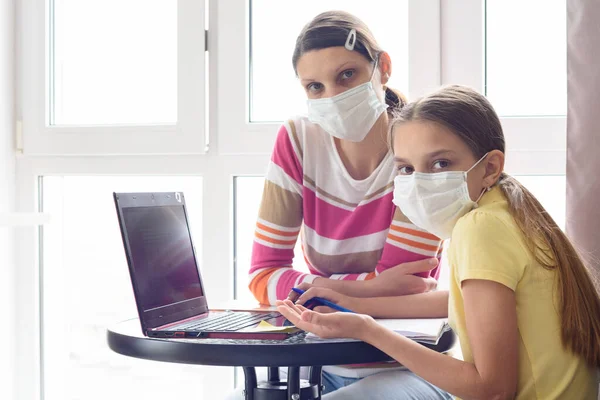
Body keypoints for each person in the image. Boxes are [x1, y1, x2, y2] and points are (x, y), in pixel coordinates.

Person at [278, 85, 600, 399]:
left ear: (489, 167)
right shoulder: (504, 211)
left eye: (440, 164)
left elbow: (492, 390)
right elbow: (463, 301)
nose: (419, 181)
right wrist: (356, 303)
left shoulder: (481, 228)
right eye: (406, 168)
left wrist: (368, 329)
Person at [232, 9, 453, 399]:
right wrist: (363, 286)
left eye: (346, 75)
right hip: (319, 366)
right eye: (315, 86)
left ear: (382, 68)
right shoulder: (298, 141)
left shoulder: (420, 147)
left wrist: (319, 289)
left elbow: (407, 289)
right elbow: (262, 276)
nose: (332, 96)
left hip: (411, 367)